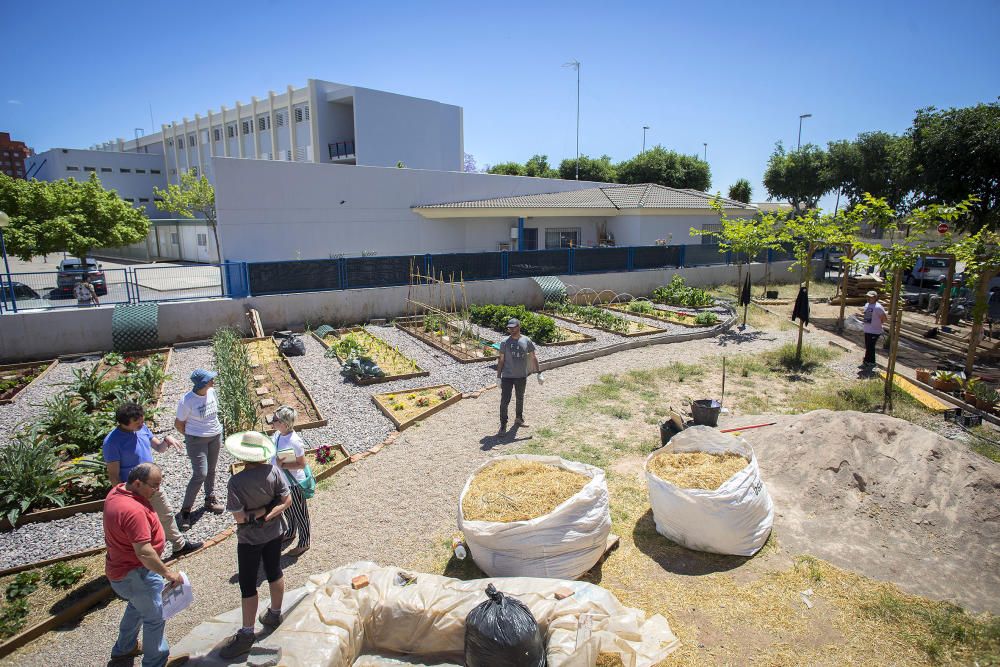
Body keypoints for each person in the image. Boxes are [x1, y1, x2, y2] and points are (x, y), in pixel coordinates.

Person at [220, 431, 292, 660]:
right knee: (274, 571)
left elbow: (240, 518)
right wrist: (270, 512)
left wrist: (258, 515)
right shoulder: (273, 471)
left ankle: (247, 633)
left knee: (248, 584)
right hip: (274, 533)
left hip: (249, 539)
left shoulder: (236, 482)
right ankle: (275, 613)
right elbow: (286, 500)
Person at [104, 462, 184, 667]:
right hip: (137, 574)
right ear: (138, 483)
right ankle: (155, 661)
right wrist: (168, 573)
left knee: (137, 607)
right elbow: (144, 552)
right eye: (154, 485)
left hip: (122, 570)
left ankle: (125, 648)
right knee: (155, 617)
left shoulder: (118, 491)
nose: (157, 490)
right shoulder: (133, 511)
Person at [103, 402, 202, 558]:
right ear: (124, 423)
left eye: (142, 421)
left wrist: (167, 440)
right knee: (142, 524)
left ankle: (179, 545)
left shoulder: (141, 429)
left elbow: (159, 448)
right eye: (138, 423)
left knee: (166, 514)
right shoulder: (112, 442)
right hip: (134, 491)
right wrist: (123, 497)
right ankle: (146, 557)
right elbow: (113, 475)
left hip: (152, 484)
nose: (142, 425)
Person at [174, 369, 225, 531]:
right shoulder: (187, 401)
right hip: (196, 440)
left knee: (211, 470)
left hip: (215, 436)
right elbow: (179, 424)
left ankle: (210, 499)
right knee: (200, 474)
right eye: (210, 380)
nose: (213, 381)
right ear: (202, 383)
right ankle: (185, 511)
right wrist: (192, 437)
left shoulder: (212, 392)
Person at [271, 405, 313, 557]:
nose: (272, 422)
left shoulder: (295, 441)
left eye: (275, 420)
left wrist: (284, 465)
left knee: (300, 514)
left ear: (283, 423)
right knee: (288, 510)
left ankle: (304, 542)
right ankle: (290, 532)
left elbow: (302, 464)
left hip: (294, 484)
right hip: (282, 482)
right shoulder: (277, 434)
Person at [495, 317, 542, 435]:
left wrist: (539, 373)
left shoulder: (526, 341)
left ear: (518, 327)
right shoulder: (505, 342)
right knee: (504, 401)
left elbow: (533, 357)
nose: (511, 330)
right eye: (509, 328)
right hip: (507, 377)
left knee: (520, 398)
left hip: (521, 376)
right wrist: (498, 377)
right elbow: (501, 360)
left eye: (513, 327)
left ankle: (519, 419)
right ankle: (503, 425)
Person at [860, 290, 887, 368]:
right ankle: (867, 361)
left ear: (875, 298)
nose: (868, 298)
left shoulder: (878, 307)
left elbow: (884, 319)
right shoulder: (867, 305)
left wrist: (877, 324)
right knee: (868, 346)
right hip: (867, 329)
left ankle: (870, 362)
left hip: (875, 331)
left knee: (871, 347)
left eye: (870, 297)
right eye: (867, 297)